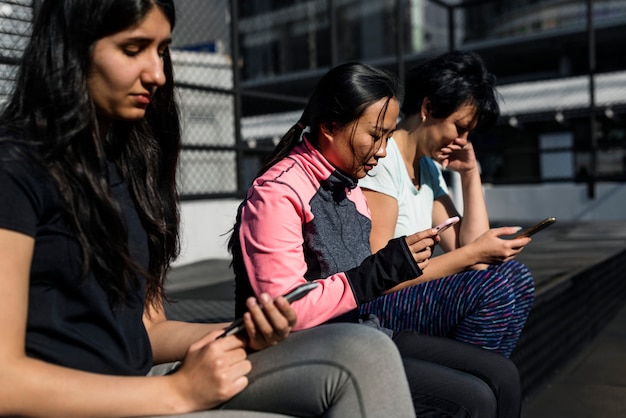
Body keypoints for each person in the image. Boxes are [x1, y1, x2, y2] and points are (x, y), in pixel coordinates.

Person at [0, 1, 417, 417]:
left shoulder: (126, 173)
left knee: (366, 350)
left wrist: (246, 333)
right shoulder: (16, 171)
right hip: (109, 402)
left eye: (161, 50)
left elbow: (149, 330)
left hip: (147, 386)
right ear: (72, 47)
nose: (158, 74)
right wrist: (179, 392)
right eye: (133, 50)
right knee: (364, 356)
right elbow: (6, 381)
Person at [230, 61, 523, 418]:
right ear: (330, 128)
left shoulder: (347, 185)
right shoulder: (278, 193)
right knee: (471, 398)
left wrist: (389, 265)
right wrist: (384, 268)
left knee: (503, 377)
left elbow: (365, 277)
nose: (383, 151)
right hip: (304, 348)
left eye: (387, 136)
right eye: (376, 135)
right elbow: (286, 311)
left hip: (360, 331)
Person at [358, 50, 535, 358]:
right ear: (428, 107)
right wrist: (474, 253)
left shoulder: (427, 168)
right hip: (376, 307)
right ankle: (462, 387)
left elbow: (472, 253)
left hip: (411, 296)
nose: (464, 141)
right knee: (491, 291)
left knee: (518, 279)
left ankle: (477, 382)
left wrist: (470, 173)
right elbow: (379, 278)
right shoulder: (384, 163)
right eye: (460, 127)